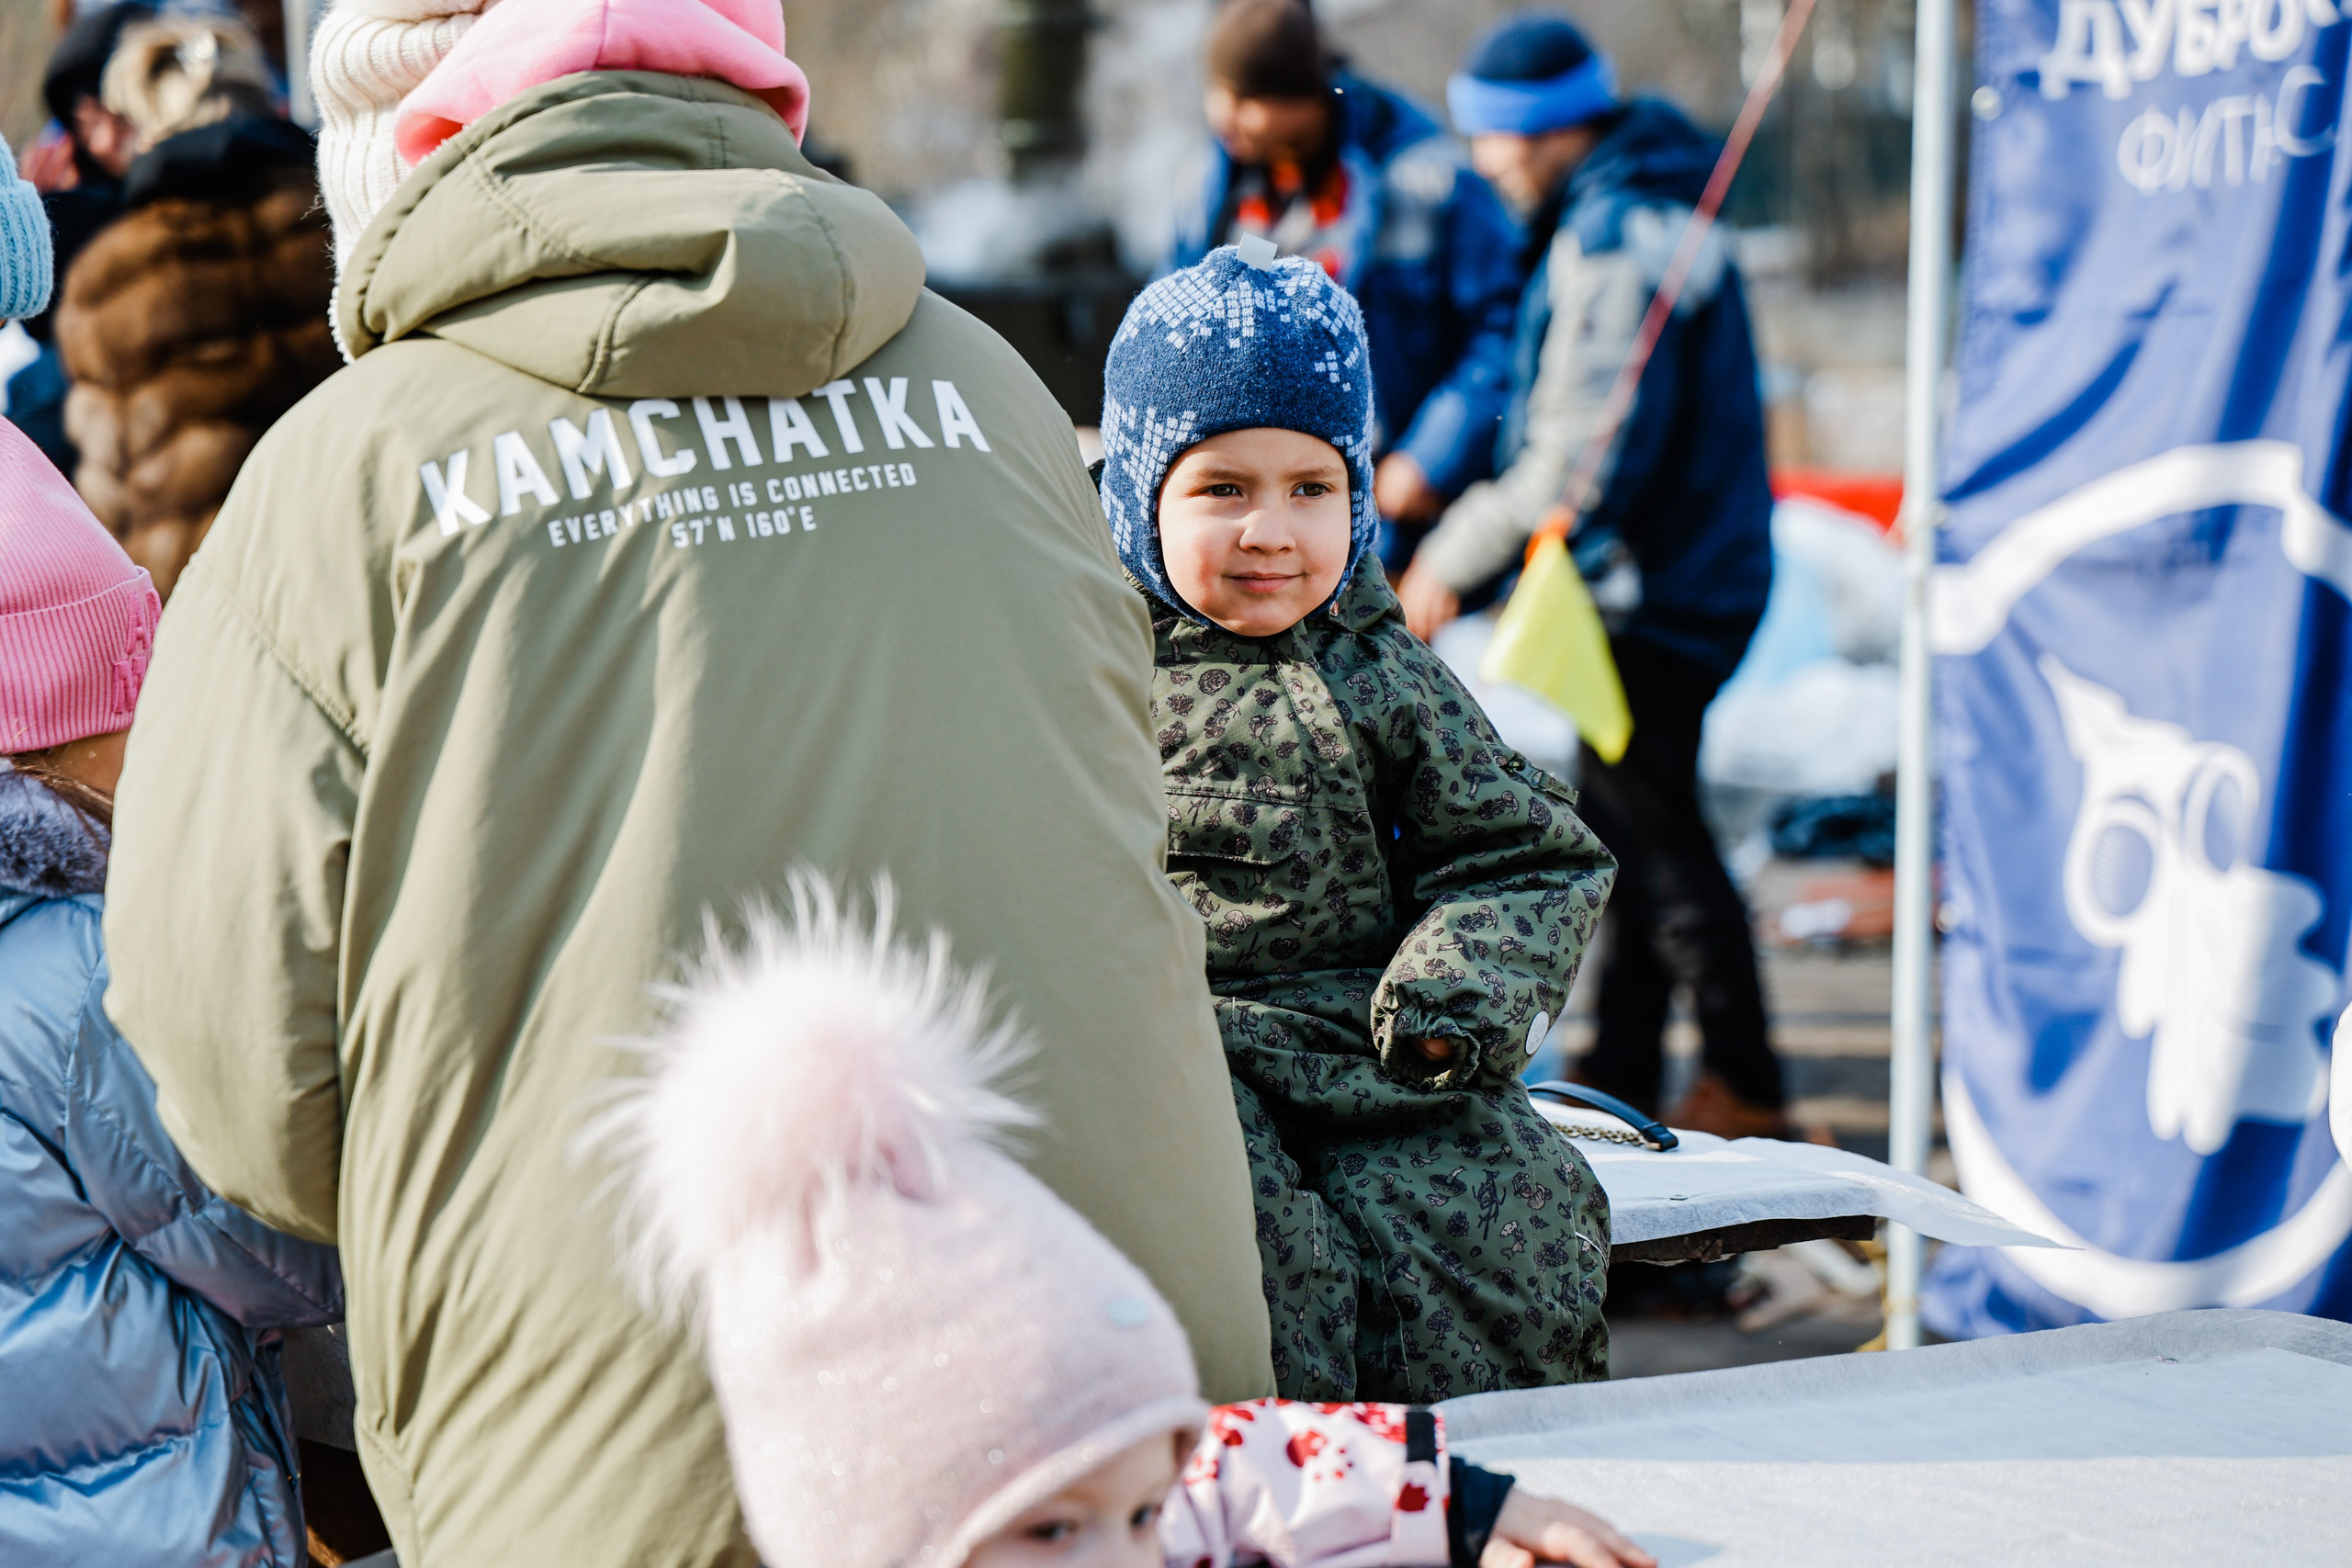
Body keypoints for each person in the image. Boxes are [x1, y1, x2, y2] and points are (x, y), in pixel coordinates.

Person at [100, 1, 1272, 1562]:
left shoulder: (343, 477)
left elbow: (233, 1074)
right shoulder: (992, 393)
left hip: (623, 1446)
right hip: (1126, 1410)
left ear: (422, 147)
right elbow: (1128, 820)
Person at [601, 879, 1656, 1568]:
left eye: (1140, 1517)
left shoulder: (1126, 1514)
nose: (1123, 1554)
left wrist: (1473, 1510)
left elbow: (1238, 1469)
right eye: (1052, 1528)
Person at [1100, 243, 1617, 1402]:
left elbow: (1523, 855)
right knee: (1253, 1259)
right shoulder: (1081, 669)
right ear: (1139, 492)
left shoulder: (1380, 675)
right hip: (1172, 1053)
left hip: (1372, 1048)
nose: (1270, 532)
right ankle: (1286, 1486)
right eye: (1221, 489)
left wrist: (1451, 999)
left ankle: (1479, 1475)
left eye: (1311, 488)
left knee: (1506, 1218)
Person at [1396, 14, 1785, 1138]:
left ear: (1555, 128)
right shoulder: (1633, 206)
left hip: (1651, 599)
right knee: (1628, 836)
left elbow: (1577, 463)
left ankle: (1750, 1091)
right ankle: (1625, 1084)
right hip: (1673, 584)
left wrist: (1441, 571)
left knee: (1657, 843)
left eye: (1498, 139)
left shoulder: (1615, 239)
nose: (1484, 162)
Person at [0, 416, 344, 1568]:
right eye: (129, 703)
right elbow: (274, 1245)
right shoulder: (79, 969)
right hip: (145, 1523)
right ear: (51, 734)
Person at [1170, 0, 1523, 567]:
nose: (1221, 116)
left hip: (1399, 522)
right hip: (1256, 514)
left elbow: (1503, 331)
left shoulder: (1431, 180)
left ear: (1301, 100)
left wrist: (1432, 457)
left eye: (1244, 98)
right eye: (1218, 91)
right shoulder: (1213, 183)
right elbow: (1174, 328)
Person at [56, 15, 338, 600]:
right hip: (371, 564)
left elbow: (111, 503)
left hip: (213, 609)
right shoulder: (343, 217)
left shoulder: (111, 280)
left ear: (143, 125)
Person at [8, 2, 155, 471]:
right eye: (88, 121)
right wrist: (55, 227)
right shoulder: (77, 196)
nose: (105, 142)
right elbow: (45, 327)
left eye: (121, 116)